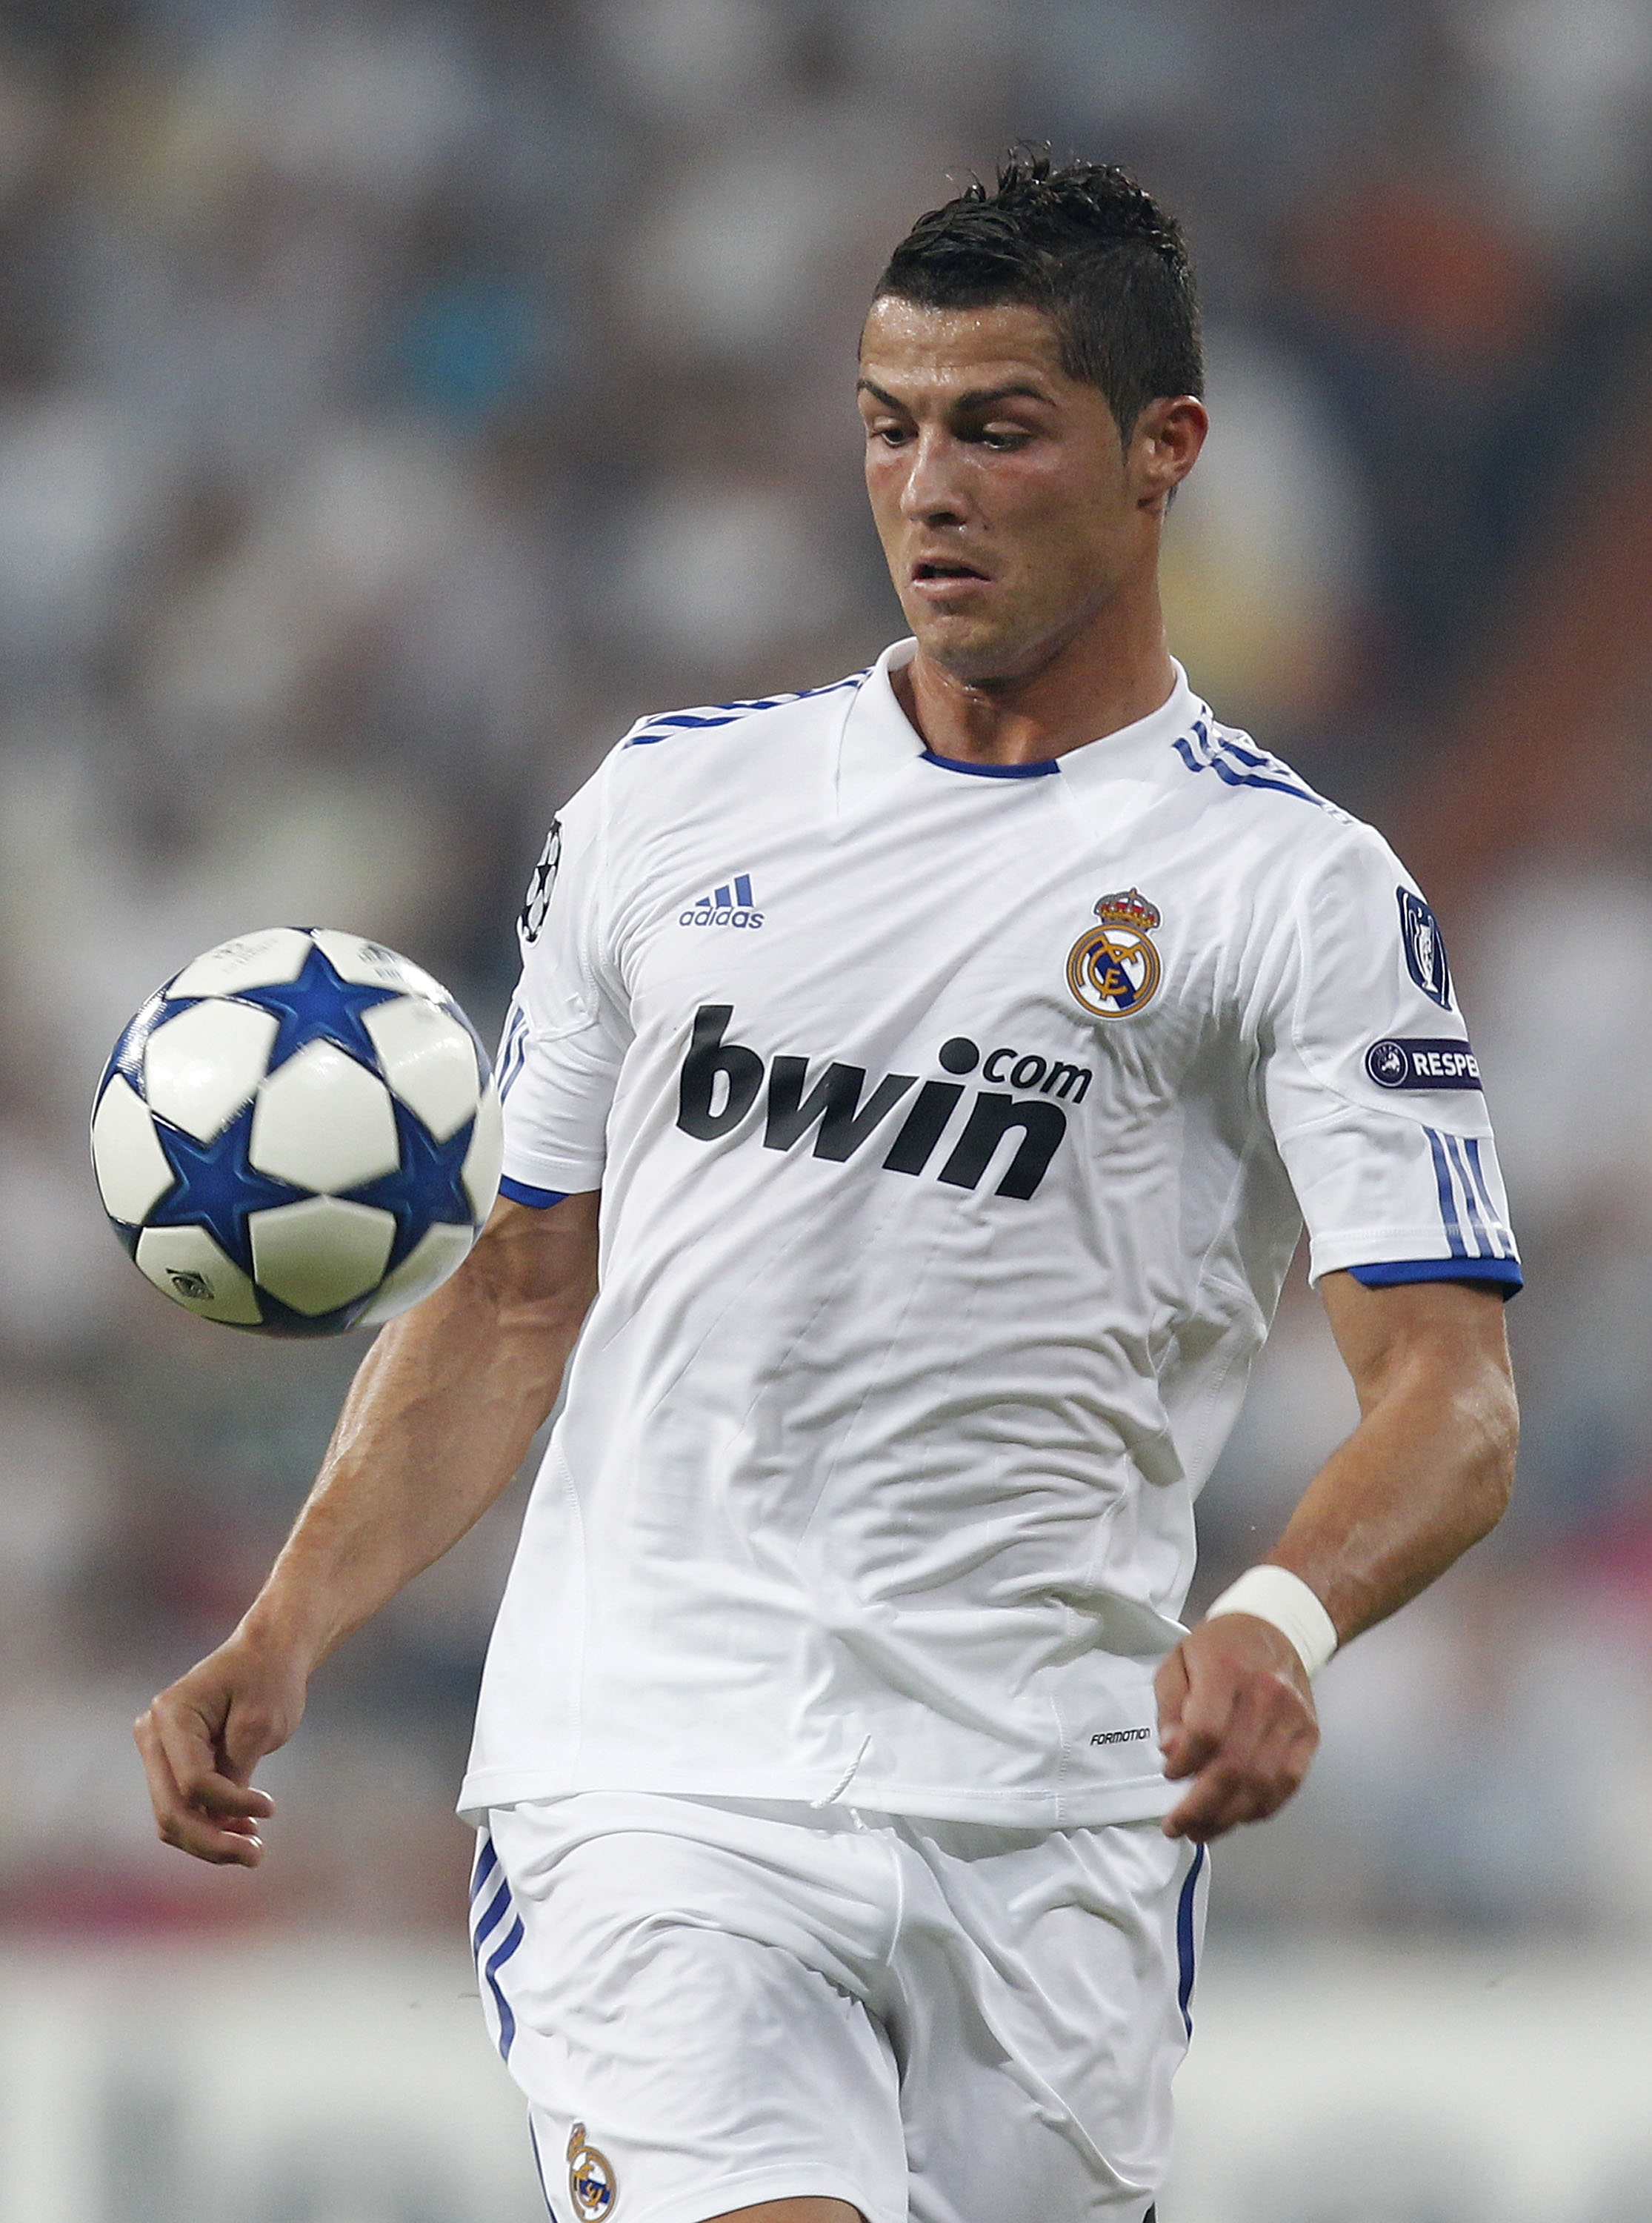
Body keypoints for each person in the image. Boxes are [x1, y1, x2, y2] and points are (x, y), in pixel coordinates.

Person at [136, 153, 1520, 2223]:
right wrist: (296, 1613)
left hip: (1056, 1813)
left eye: (997, 427)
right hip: (660, 1774)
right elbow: (520, 1293)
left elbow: (1454, 1392)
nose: (929, 486)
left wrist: (1280, 1618)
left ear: (1166, 455)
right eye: (890, 428)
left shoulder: (1292, 894)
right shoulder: (666, 810)